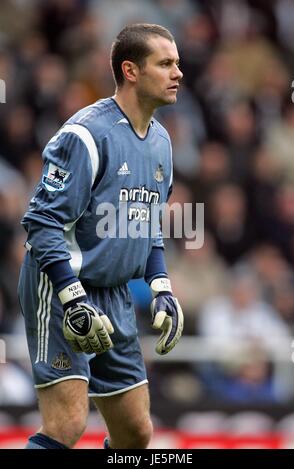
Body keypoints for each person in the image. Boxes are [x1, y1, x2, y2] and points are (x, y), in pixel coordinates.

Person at [18, 23, 184, 449]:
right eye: (165, 64)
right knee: (67, 425)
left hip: (113, 293)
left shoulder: (163, 142)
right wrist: (72, 298)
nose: (178, 73)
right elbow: (41, 224)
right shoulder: (86, 134)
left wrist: (161, 286)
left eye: (178, 63)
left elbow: (147, 228)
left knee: (135, 433)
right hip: (60, 288)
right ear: (131, 71)